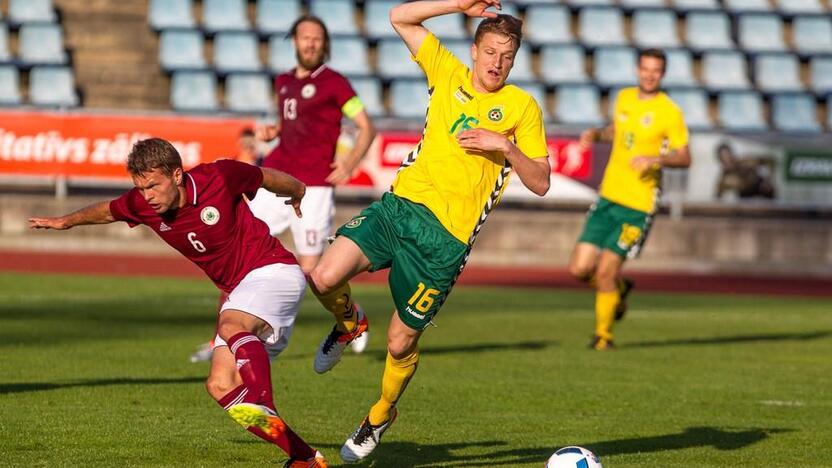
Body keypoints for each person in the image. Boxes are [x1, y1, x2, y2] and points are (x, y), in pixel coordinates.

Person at [305, 0, 551, 462]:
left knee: (401, 341)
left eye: (508, 56)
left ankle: (379, 415)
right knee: (321, 277)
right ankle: (348, 323)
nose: (498, 63)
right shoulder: (446, 70)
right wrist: (458, 4)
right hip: (399, 209)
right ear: (475, 50)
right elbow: (400, 16)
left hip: (446, 242)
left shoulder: (522, 107)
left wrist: (506, 147)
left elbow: (540, 182)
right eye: (492, 51)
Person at [28, 138, 328, 468]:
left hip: (273, 269)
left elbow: (265, 176)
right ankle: (304, 457)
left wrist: (297, 189)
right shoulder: (142, 204)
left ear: (176, 175)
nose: (147, 196)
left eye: (153, 186)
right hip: (241, 289)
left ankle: (261, 397)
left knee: (231, 326)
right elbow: (107, 210)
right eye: (140, 188)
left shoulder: (219, 176)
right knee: (220, 385)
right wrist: (65, 221)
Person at [571, 48, 691, 351]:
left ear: (662, 74)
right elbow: (618, 131)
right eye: (645, 69)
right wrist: (598, 135)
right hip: (608, 196)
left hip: (638, 205)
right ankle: (619, 290)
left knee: (605, 271)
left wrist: (657, 158)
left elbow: (684, 156)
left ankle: (603, 337)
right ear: (638, 69)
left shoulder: (669, 111)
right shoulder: (623, 98)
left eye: (656, 70)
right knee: (579, 269)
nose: (650, 75)